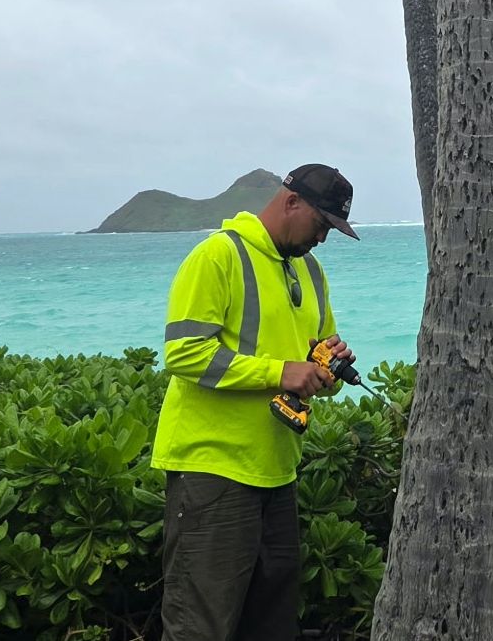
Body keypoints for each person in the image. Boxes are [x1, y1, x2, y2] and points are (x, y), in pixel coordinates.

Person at [151, 164, 360, 641]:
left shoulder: (310, 270)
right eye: (322, 224)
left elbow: (313, 350)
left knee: (271, 624)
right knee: (200, 627)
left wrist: (326, 367)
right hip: (212, 470)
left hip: (276, 470)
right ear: (291, 202)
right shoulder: (217, 257)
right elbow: (184, 354)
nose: (324, 238)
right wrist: (280, 371)